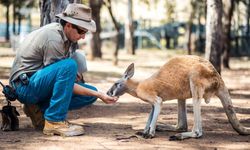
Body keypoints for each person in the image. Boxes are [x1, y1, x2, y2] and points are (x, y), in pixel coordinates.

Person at [9, 3, 118, 137]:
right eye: (81, 31)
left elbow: (59, 82)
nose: (83, 36)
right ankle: (54, 121)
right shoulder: (54, 38)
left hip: (33, 83)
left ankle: (39, 110)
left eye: (85, 32)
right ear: (69, 25)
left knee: (90, 94)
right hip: (24, 88)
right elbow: (63, 82)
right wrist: (100, 95)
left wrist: (96, 93)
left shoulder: (62, 35)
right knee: (70, 66)